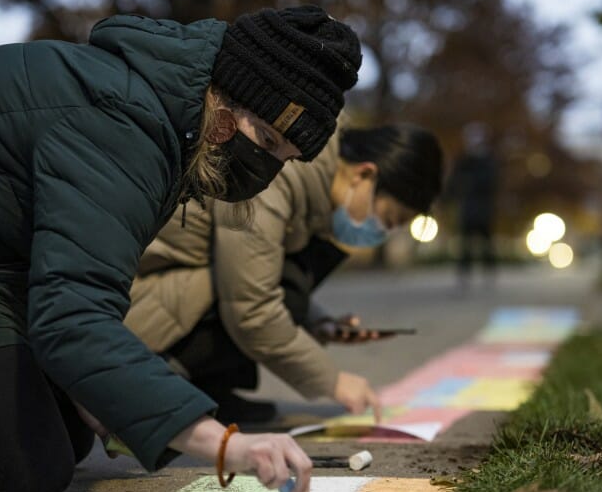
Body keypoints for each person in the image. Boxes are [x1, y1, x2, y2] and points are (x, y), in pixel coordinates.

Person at [0, 5, 362, 492]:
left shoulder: (170, 118)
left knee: (69, 429)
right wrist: (223, 445)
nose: (266, 170)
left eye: (283, 158)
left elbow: (70, 277)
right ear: (228, 101)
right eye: (266, 141)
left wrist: (101, 391)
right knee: (22, 463)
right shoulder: (129, 124)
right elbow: (73, 314)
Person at [125, 123, 443, 423]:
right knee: (276, 289)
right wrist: (333, 381)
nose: (381, 232)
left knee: (292, 278)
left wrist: (317, 320)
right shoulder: (278, 176)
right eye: (387, 218)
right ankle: (160, 386)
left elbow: (263, 269)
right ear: (364, 174)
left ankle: (205, 391)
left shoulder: (311, 178)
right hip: (132, 304)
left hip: (170, 290)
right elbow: (252, 308)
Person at [446, 129, 499, 292]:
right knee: (465, 244)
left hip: (483, 209)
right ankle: (464, 276)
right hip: (468, 209)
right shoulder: (463, 161)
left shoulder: (488, 161)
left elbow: (491, 183)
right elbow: (454, 184)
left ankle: (489, 274)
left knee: (486, 244)